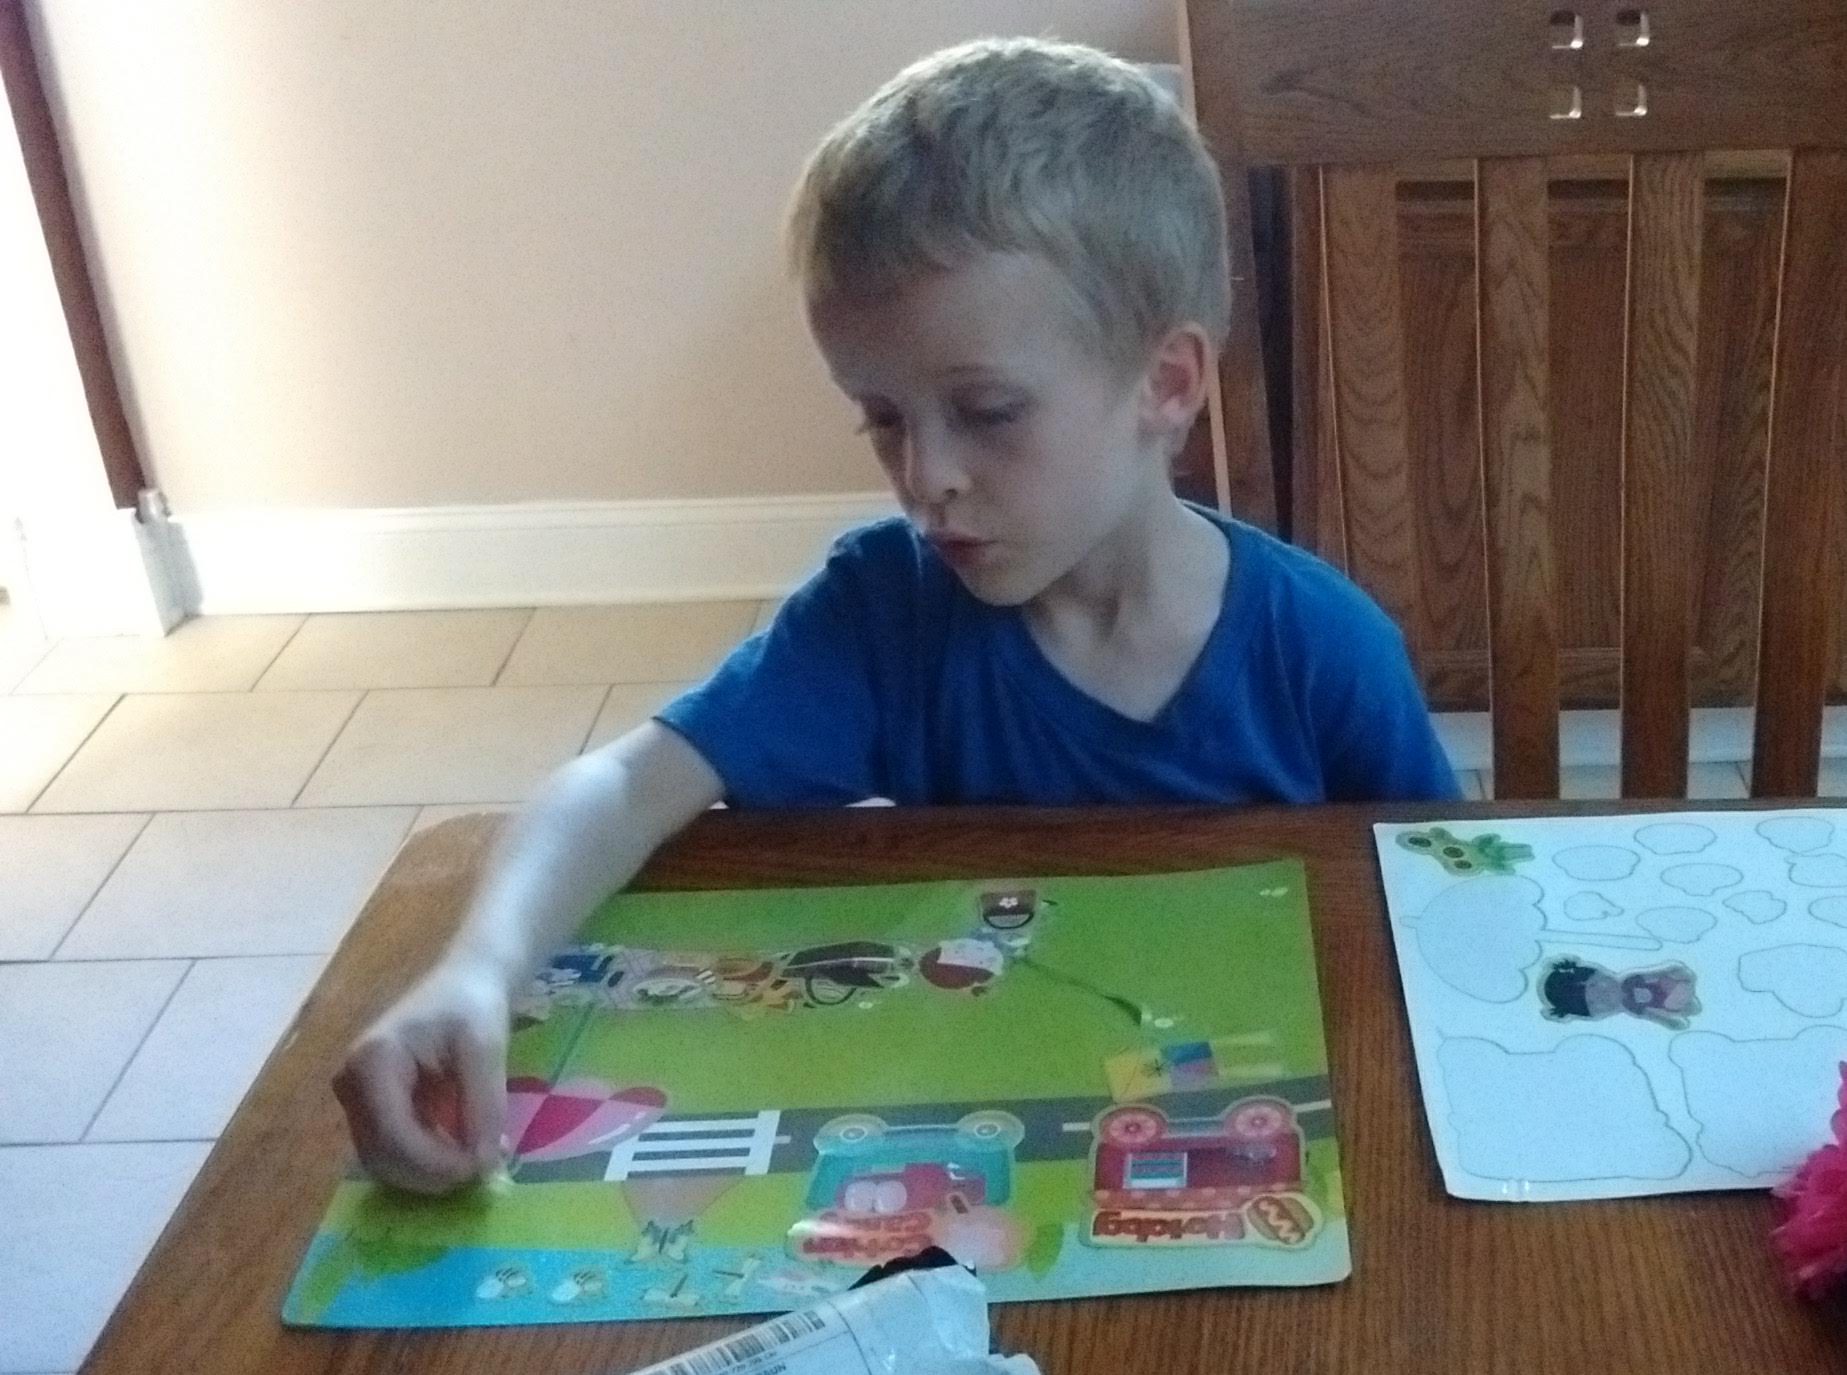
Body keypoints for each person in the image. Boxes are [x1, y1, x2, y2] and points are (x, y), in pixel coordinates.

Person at [334, 38, 1458, 1194]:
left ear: (1166, 385)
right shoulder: (880, 616)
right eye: (881, 418)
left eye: (985, 412)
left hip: (1252, 1151)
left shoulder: (1324, 651)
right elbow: (625, 785)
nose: (925, 477)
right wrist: (477, 967)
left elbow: (1447, 903)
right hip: (984, 1148)